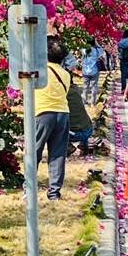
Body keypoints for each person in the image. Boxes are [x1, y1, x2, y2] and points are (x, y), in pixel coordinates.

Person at [34, 36, 71, 200]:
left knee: (35, 151)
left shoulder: (39, 70)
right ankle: (54, 192)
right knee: (57, 153)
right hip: (62, 114)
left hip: (43, 113)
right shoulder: (65, 74)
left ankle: (28, 187)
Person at [81, 37, 104, 106]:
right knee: (94, 87)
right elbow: (102, 51)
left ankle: (84, 102)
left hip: (85, 71)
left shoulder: (84, 49)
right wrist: (96, 43)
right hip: (94, 70)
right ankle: (93, 102)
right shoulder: (97, 50)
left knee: (85, 87)